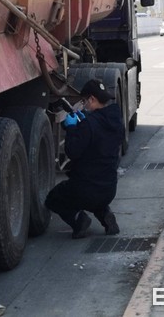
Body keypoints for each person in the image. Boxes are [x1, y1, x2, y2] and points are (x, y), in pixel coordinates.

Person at [45, 79, 125, 239]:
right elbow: (99, 139)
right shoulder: (116, 122)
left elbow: (72, 151)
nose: (83, 105)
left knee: (53, 199)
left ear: (92, 99)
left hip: (85, 188)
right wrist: (85, 124)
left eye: (84, 101)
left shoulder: (88, 125)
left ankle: (79, 220)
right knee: (96, 197)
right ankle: (105, 215)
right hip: (109, 188)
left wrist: (73, 128)